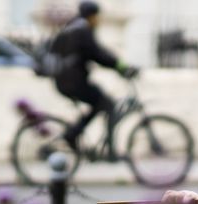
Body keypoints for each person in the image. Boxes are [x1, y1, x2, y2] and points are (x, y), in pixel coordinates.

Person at [50, 1, 139, 149]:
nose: (98, 20)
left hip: (67, 80)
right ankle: (77, 137)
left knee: (101, 103)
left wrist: (117, 65)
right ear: (91, 16)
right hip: (72, 82)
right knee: (105, 103)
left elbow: (96, 53)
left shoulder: (73, 27)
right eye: (97, 17)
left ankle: (76, 135)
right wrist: (120, 66)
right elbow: (97, 54)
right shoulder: (82, 30)